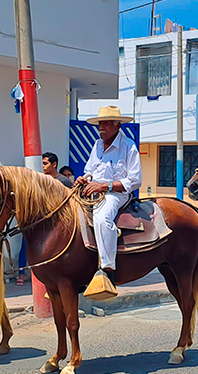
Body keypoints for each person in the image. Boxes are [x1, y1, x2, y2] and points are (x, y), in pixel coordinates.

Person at [76, 106, 142, 288]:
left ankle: (107, 269)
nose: (101, 128)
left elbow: (135, 180)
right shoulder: (97, 145)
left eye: (105, 123)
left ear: (117, 125)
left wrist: (105, 185)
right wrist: (83, 179)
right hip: (92, 190)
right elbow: (89, 170)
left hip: (115, 194)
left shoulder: (128, 146)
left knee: (102, 218)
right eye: (100, 124)